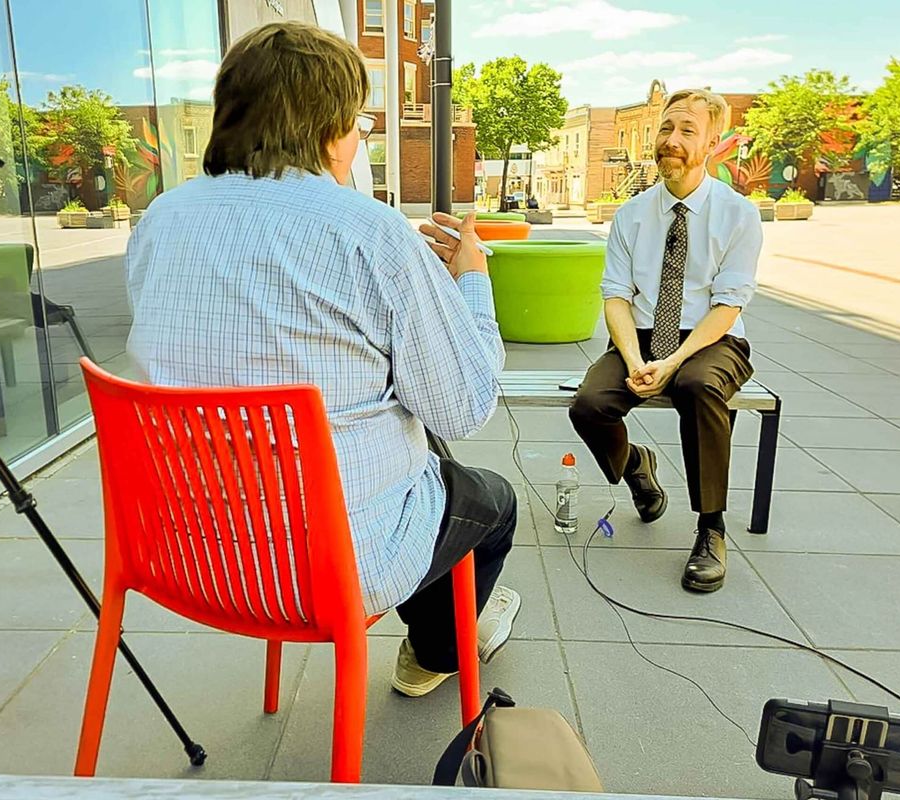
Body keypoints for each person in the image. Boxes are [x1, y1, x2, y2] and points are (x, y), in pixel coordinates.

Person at [125, 22, 521, 696]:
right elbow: (467, 403)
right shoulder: (367, 229)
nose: (359, 139)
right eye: (359, 123)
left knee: (417, 441)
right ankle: (437, 651)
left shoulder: (161, 217)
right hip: (325, 567)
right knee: (492, 501)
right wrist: (470, 280)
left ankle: (443, 627)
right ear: (329, 124)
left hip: (190, 553)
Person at [567, 88, 762, 593]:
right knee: (589, 403)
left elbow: (728, 305)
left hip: (712, 340)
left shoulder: (738, 215)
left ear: (713, 143)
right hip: (644, 333)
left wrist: (672, 362)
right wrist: (634, 358)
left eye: (687, 131)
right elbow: (615, 297)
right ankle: (636, 465)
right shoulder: (631, 215)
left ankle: (710, 529)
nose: (671, 141)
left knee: (698, 386)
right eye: (666, 129)